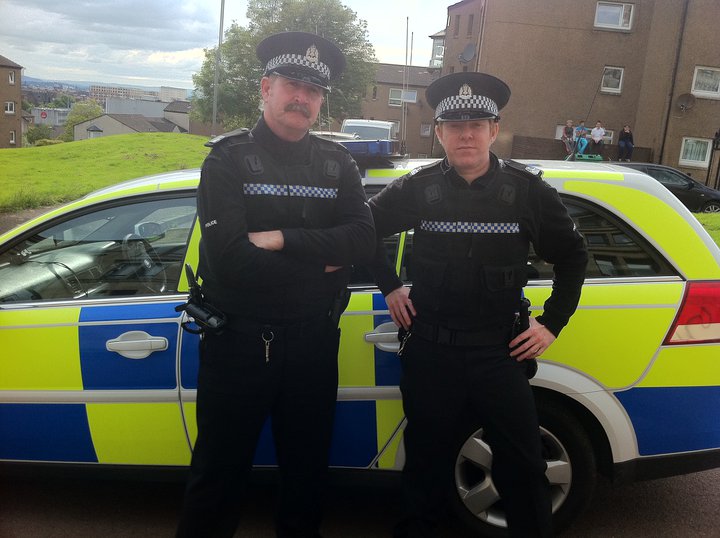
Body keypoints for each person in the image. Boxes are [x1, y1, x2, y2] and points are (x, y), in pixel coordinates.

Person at [367, 72, 588, 537]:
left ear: (494, 129)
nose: (466, 133)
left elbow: (573, 257)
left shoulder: (528, 192)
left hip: (500, 355)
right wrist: (389, 284)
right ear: (440, 132)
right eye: (454, 125)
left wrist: (552, 323)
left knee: (524, 469)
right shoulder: (418, 189)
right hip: (431, 352)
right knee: (423, 467)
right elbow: (361, 230)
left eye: (478, 123)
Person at [177, 31, 375, 538]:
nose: (302, 97)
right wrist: (321, 264)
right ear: (266, 87)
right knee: (217, 477)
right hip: (237, 344)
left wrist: (280, 238)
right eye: (292, 84)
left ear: (322, 101)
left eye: (313, 91)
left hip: (312, 343)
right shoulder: (226, 160)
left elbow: (361, 239)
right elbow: (229, 262)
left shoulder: (338, 163)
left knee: (307, 477)